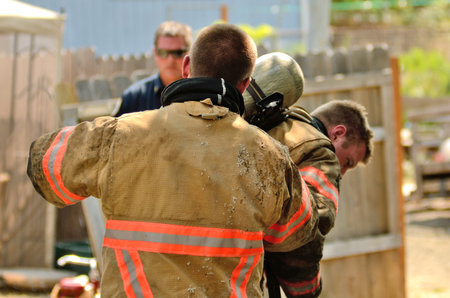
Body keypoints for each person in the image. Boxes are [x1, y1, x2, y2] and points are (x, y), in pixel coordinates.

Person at [27, 24, 318, 297]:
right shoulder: (271, 158)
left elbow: (44, 166)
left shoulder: (121, 135)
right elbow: (300, 236)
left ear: (187, 66)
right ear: (244, 85)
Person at [242, 52, 373, 298]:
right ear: (337, 133)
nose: (341, 173)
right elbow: (304, 238)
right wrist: (309, 291)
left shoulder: (269, 125)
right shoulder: (320, 154)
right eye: (347, 162)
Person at [113, 21, 192, 116]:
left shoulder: (204, 95)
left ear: (190, 52)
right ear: (154, 53)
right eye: (163, 52)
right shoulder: (133, 98)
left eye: (178, 53)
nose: (170, 60)